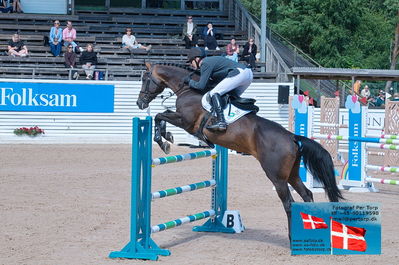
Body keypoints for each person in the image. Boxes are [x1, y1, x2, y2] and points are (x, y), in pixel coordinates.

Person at [184, 47, 253, 132]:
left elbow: (201, 86)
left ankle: (221, 122)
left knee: (214, 93)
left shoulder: (205, 63)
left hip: (239, 73)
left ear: (197, 59)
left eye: (191, 61)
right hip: (248, 75)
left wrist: (189, 82)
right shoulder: (210, 61)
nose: (191, 64)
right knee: (230, 97)